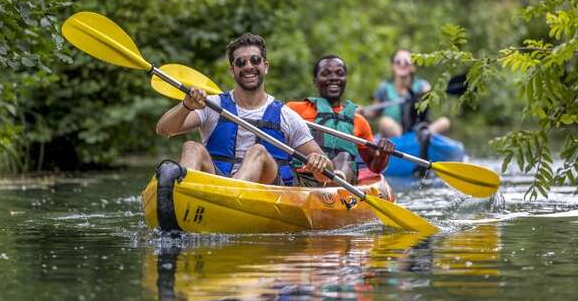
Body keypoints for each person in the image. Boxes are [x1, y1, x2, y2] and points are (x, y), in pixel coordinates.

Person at [155, 33, 334, 186]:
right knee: (191, 147)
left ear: (266, 66)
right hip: (217, 184)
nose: (248, 66)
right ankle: (182, 193)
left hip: (267, 191)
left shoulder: (286, 116)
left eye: (255, 60)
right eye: (241, 62)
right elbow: (163, 130)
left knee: (258, 152)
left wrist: (321, 163)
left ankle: (229, 194)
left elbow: (325, 175)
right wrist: (186, 106)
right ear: (233, 70)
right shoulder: (212, 104)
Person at [286, 55, 395, 185]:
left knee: (345, 156)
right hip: (304, 179)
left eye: (340, 73)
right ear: (315, 81)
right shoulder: (293, 110)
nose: (333, 78)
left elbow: (376, 167)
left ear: (345, 79)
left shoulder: (359, 121)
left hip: (344, 184)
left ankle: (336, 181)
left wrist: (383, 155)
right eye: (326, 73)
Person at [361, 48, 450, 138]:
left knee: (444, 122)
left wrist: (423, 94)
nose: (402, 64)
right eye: (398, 61)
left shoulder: (422, 86)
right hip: (396, 133)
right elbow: (374, 113)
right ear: (392, 65)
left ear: (413, 67)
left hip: (418, 129)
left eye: (407, 62)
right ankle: (405, 143)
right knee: (384, 121)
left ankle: (420, 138)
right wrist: (362, 111)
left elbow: (427, 104)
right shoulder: (384, 88)